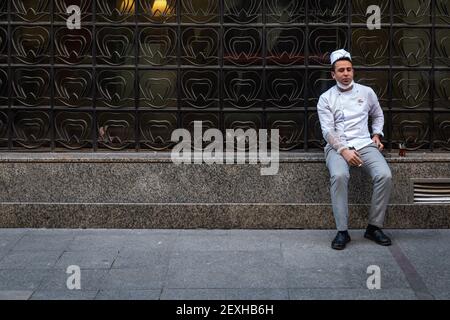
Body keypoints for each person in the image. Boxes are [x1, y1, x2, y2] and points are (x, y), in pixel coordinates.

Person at [317, 49, 393, 250]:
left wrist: (377, 134)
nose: (345, 73)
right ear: (333, 74)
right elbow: (327, 131)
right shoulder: (326, 98)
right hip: (336, 147)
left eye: (349, 69)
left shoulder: (366, 92)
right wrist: (343, 151)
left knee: (384, 175)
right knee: (340, 176)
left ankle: (374, 227)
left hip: (364, 144)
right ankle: (342, 231)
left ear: (353, 71)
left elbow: (377, 115)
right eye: (340, 70)